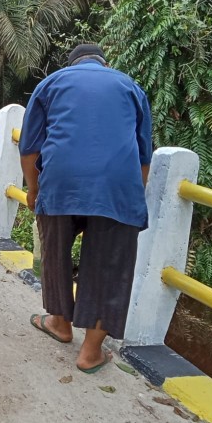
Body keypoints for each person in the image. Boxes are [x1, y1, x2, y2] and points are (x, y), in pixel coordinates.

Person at [19, 43, 152, 373]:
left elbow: (29, 148)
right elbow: (144, 156)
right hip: (117, 186)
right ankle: (91, 353)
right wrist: (129, 197)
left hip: (61, 181)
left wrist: (34, 191)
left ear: (73, 63)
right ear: (105, 63)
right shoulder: (130, 86)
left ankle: (60, 324)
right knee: (110, 265)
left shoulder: (51, 83)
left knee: (56, 250)